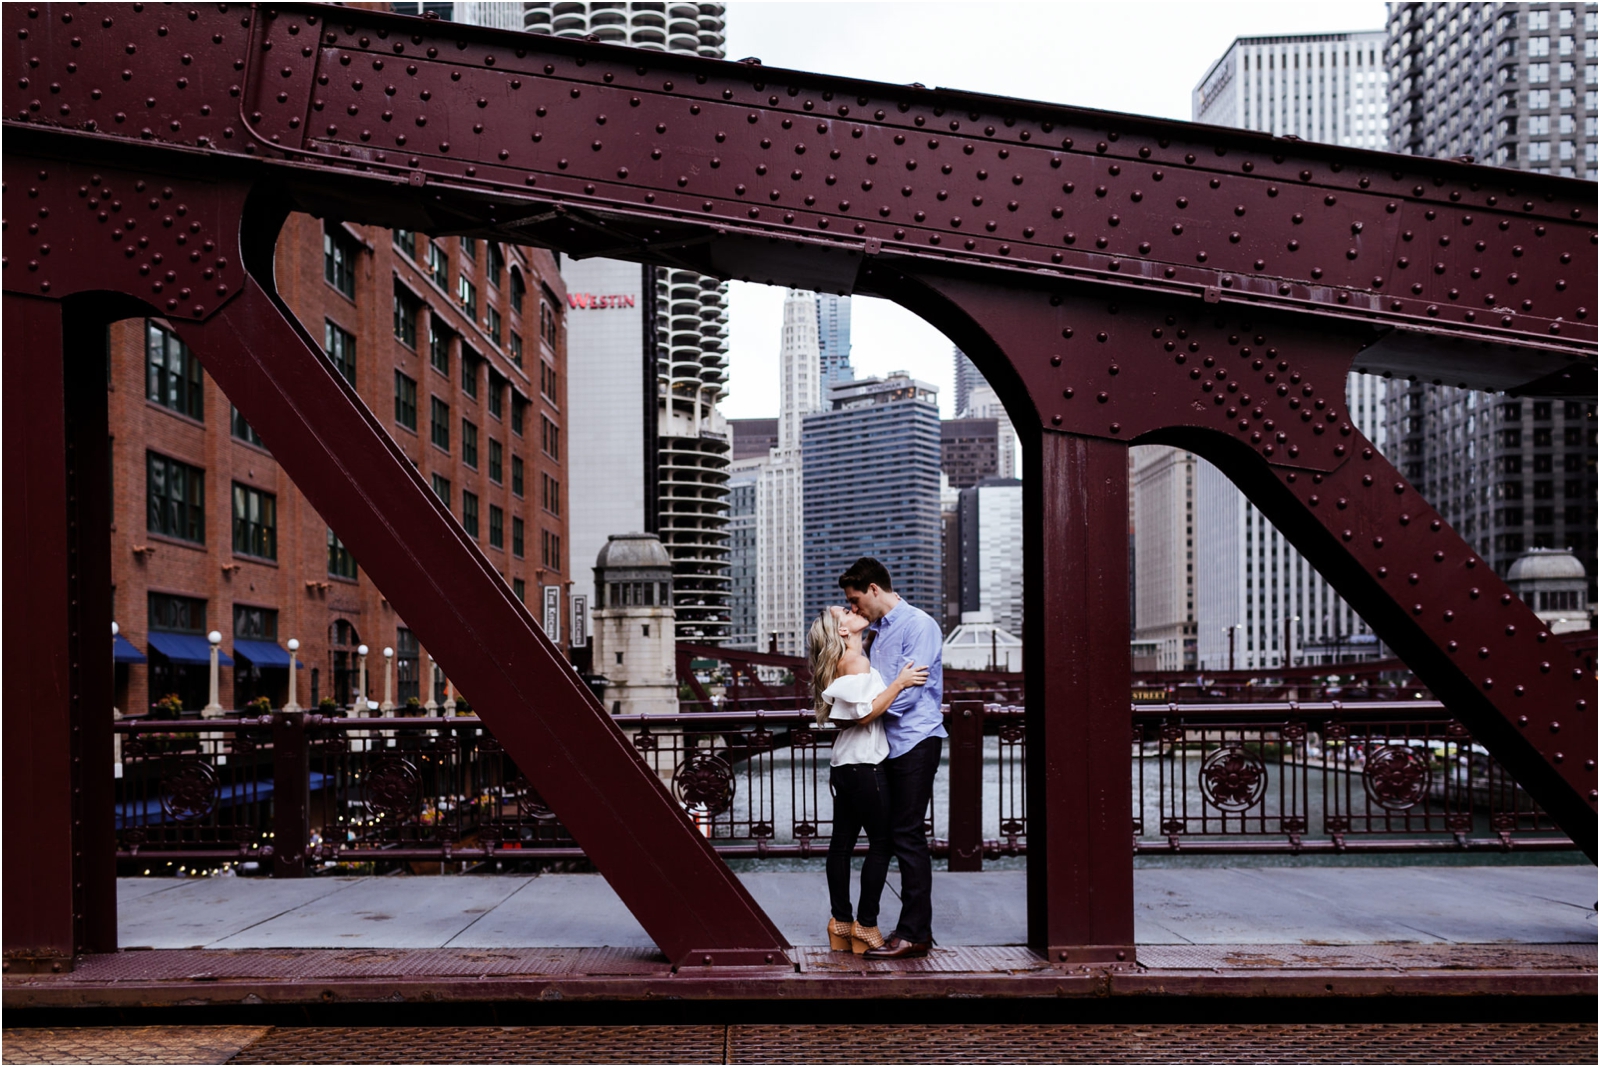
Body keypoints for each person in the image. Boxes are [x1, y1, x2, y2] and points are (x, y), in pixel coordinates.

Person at [837, 556, 946, 960]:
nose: (853, 608)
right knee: (893, 834)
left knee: (908, 834)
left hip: (915, 741)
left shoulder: (919, 625)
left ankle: (915, 934)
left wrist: (868, 709)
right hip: (887, 745)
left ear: (874, 590)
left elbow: (912, 694)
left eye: (855, 599)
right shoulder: (876, 633)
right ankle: (884, 927)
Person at [807, 606, 929, 954]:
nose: (854, 610)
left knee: (842, 844)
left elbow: (848, 717)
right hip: (865, 766)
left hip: (844, 764)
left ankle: (841, 922)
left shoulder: (844, 663)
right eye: (846, 611)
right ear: (843, 631)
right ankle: (866, 925)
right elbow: (863, 716)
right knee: (882, 843)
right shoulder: (856, 663)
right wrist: (900, 683)